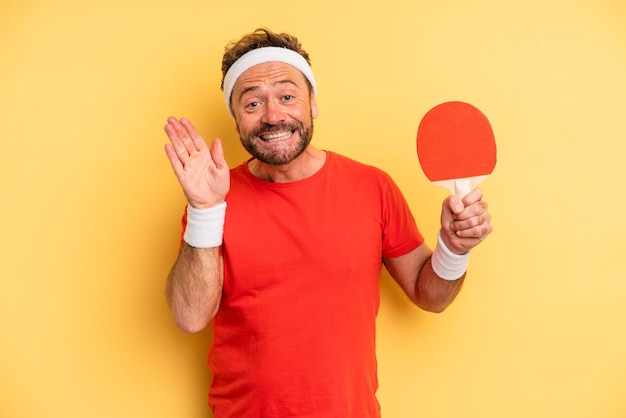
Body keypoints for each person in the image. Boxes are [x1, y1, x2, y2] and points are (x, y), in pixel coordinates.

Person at [163, 28, 492, 418]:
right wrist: (204, 208)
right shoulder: (213, 198)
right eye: (252, 104)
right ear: (236, 120)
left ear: (313, 103)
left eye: (287, 97)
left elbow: (430, 295)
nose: (273, 116)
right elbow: (189, 316)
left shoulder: (372, 187)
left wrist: (454, 249)